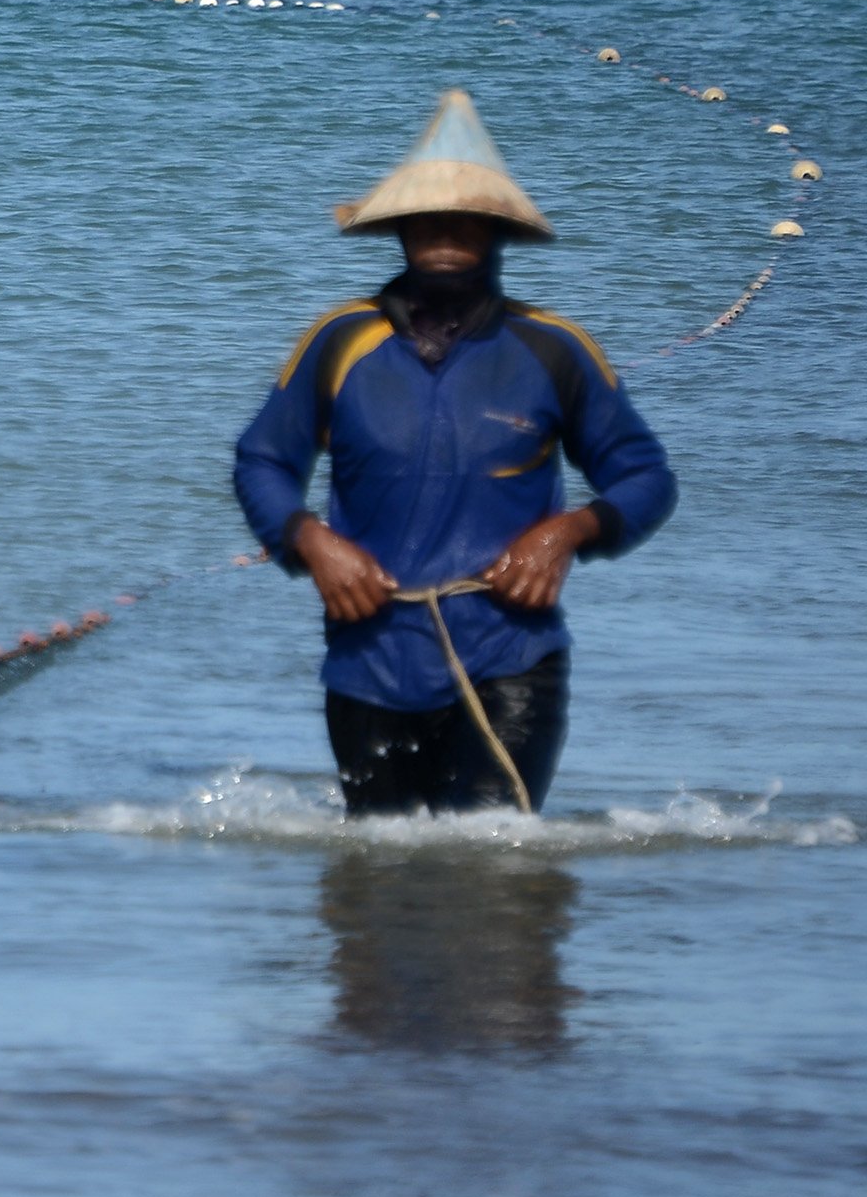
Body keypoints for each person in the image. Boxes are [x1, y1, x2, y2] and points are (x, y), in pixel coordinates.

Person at [233, 90, 678, 817]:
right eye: (426, 212)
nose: (444, 225)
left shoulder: (553, 347)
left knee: (495, 890)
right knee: (374, 893)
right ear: (401, 227)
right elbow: (261, 461)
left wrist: (568, 532)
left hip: (510, 663)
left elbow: (645, 475)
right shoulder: (339, 340)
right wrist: (311, 541)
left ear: (498, 229)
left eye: (466, 211)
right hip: (366, 664)